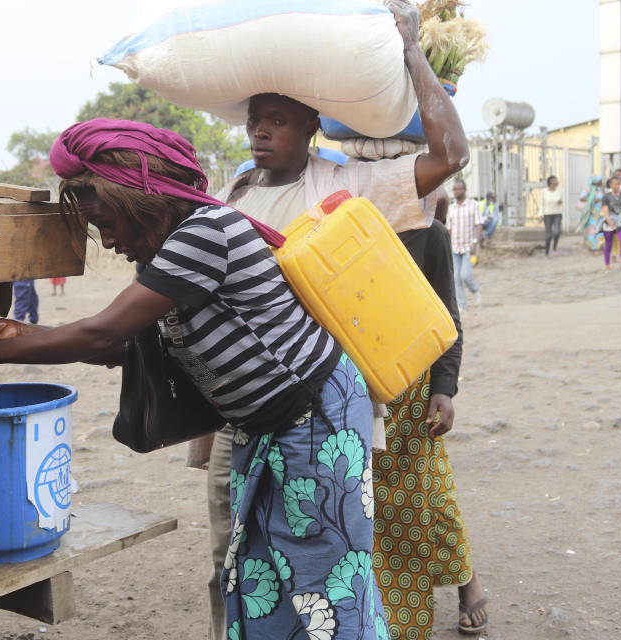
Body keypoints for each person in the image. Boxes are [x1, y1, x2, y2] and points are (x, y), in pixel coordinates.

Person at [0, 118, 392, 638]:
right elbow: (126, 348)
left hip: (312, 419)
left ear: (139, 198)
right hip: (266, 427)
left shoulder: (207, 234)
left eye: (105, 220)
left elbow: (102, 332)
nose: (106, 240)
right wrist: (23, 333)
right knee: (260, 570)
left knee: (325, 577)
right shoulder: (173, 250)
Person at [201, 1, 486, 636]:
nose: (261, 132)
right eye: (256, 122)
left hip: (321, 412)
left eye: (278, 121)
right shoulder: (234, 195)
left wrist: (412, 49)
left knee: (326, 560)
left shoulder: (348, 188)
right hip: (240, 413)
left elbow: (452, 152)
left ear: (311, 127)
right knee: (234, 551)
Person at [372, 215, 488, 637]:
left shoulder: (428, 233)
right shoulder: (331, 218)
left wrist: (444, 386)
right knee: (370, 504)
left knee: (422, 491)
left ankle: (449, 588)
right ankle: (382, 607)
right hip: (347, 385)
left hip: (411, 388)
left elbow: (446, 319)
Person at [447, 180, 483, 310]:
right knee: (456, 278)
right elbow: (449, 229)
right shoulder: (451, 208)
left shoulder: (473, 205)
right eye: (454, 190)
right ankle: (461, 305)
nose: (456, 192)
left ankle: (475, 291)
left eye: (459, 189)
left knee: (465, 275)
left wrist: (475, 242)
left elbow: (479, 225)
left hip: (470, 248)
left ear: (465, 190)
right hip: (455, 247)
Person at [601, 176, 621, 272]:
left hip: (620, 221)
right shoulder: (607, 197)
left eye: (619, 184)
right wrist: (609, 221)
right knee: (608, 244)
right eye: (615, 184)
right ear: (611, 184)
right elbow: (605, 210)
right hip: (609, 222)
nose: (617, 186)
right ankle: (607, 265)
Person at [577, 176, 604, 253]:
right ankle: (593, 248)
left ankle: (598, 245)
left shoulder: (599, 189)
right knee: (592, 230)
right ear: (596, 181)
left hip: (600, 213)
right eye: (600, 180)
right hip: (592, 213)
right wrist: (591, 199)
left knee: (600, 229)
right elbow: (581, 197)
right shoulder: (589, 189)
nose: (601, 182)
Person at [541, 175, 563, 256]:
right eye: (555, 180)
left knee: (557, 232)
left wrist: (560, 202)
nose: (556, 181)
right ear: (551, 181)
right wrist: (540, 214)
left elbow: (561, 201)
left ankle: (554, 247)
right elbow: (542, 204)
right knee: (549, 234)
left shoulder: (559, 191)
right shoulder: (544, 192)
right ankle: (546, 251)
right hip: (547, 214)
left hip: (557, 213)